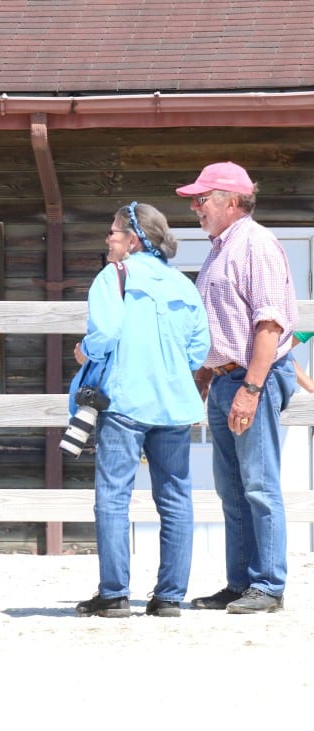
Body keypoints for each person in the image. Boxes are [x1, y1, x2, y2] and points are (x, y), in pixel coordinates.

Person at [70, 202, 210, 618]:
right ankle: (168, 598)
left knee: (113, 496)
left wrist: (84, 351)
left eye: (113, 232)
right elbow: (198, 349)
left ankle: (114, 595)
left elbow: (107, 333)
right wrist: (168, 371)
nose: (108, 239)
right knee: (175, 498)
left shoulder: (113, 276)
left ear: (133, 240)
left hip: (126, 401)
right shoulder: (183, 284)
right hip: (173, 404)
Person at [180, 162, 298, 614]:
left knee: (259, 484)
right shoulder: (222, 247)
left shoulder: (256, 245)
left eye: (202, 198)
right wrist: (207, 375)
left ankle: (267, 586)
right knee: (232, 488)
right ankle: (241, 582)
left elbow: (269, 323)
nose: (195, 207)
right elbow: (223, 320)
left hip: (252, 377)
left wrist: (251, 386)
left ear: (231, 201)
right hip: (228, 376)